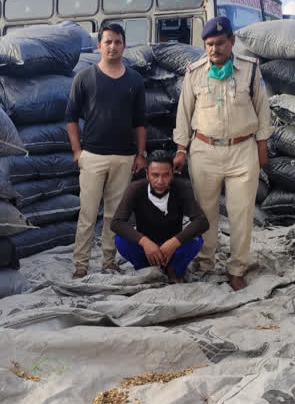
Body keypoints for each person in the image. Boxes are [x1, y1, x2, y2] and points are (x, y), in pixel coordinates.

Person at [172, 16, 273, 291]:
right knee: (205, 213)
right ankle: (205, 262)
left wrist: (262, 147)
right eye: (208, 44)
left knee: (241, 213)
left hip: (243, 150)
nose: (214, 49)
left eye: (219, 43)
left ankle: (237, 268)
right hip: (204, 150)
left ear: (232, 41)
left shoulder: (251, 70)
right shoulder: (194, 72)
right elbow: (184, 114)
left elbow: (262, 110)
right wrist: (181, 149)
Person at [66, 23, 147, 279]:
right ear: (99, 45)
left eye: (118, 42)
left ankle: (109, 261)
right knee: (88, 214)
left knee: (115, 215)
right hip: (93, 156)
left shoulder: (134, 80)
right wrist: (78, 151)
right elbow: (70, 118)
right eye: (108, 42)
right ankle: (81, 264)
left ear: (124, 45)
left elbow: (140, 122)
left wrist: (140, 154)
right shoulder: (85, 77)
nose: (113, 46)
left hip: (124, 157)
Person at [111, 150, 209, 283]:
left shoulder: (181, 188)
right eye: (155, 175)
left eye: (166, 175)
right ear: (147, 174)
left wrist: (174, 242)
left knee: (196, 239)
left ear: (172, 174)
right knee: (120, 240)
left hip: (173, 248)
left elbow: (202, 221)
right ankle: (145, 269)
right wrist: (145, 242)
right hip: (146, 248)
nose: (160, 181)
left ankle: (173, 269)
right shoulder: (135, 189)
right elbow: (116, 222)